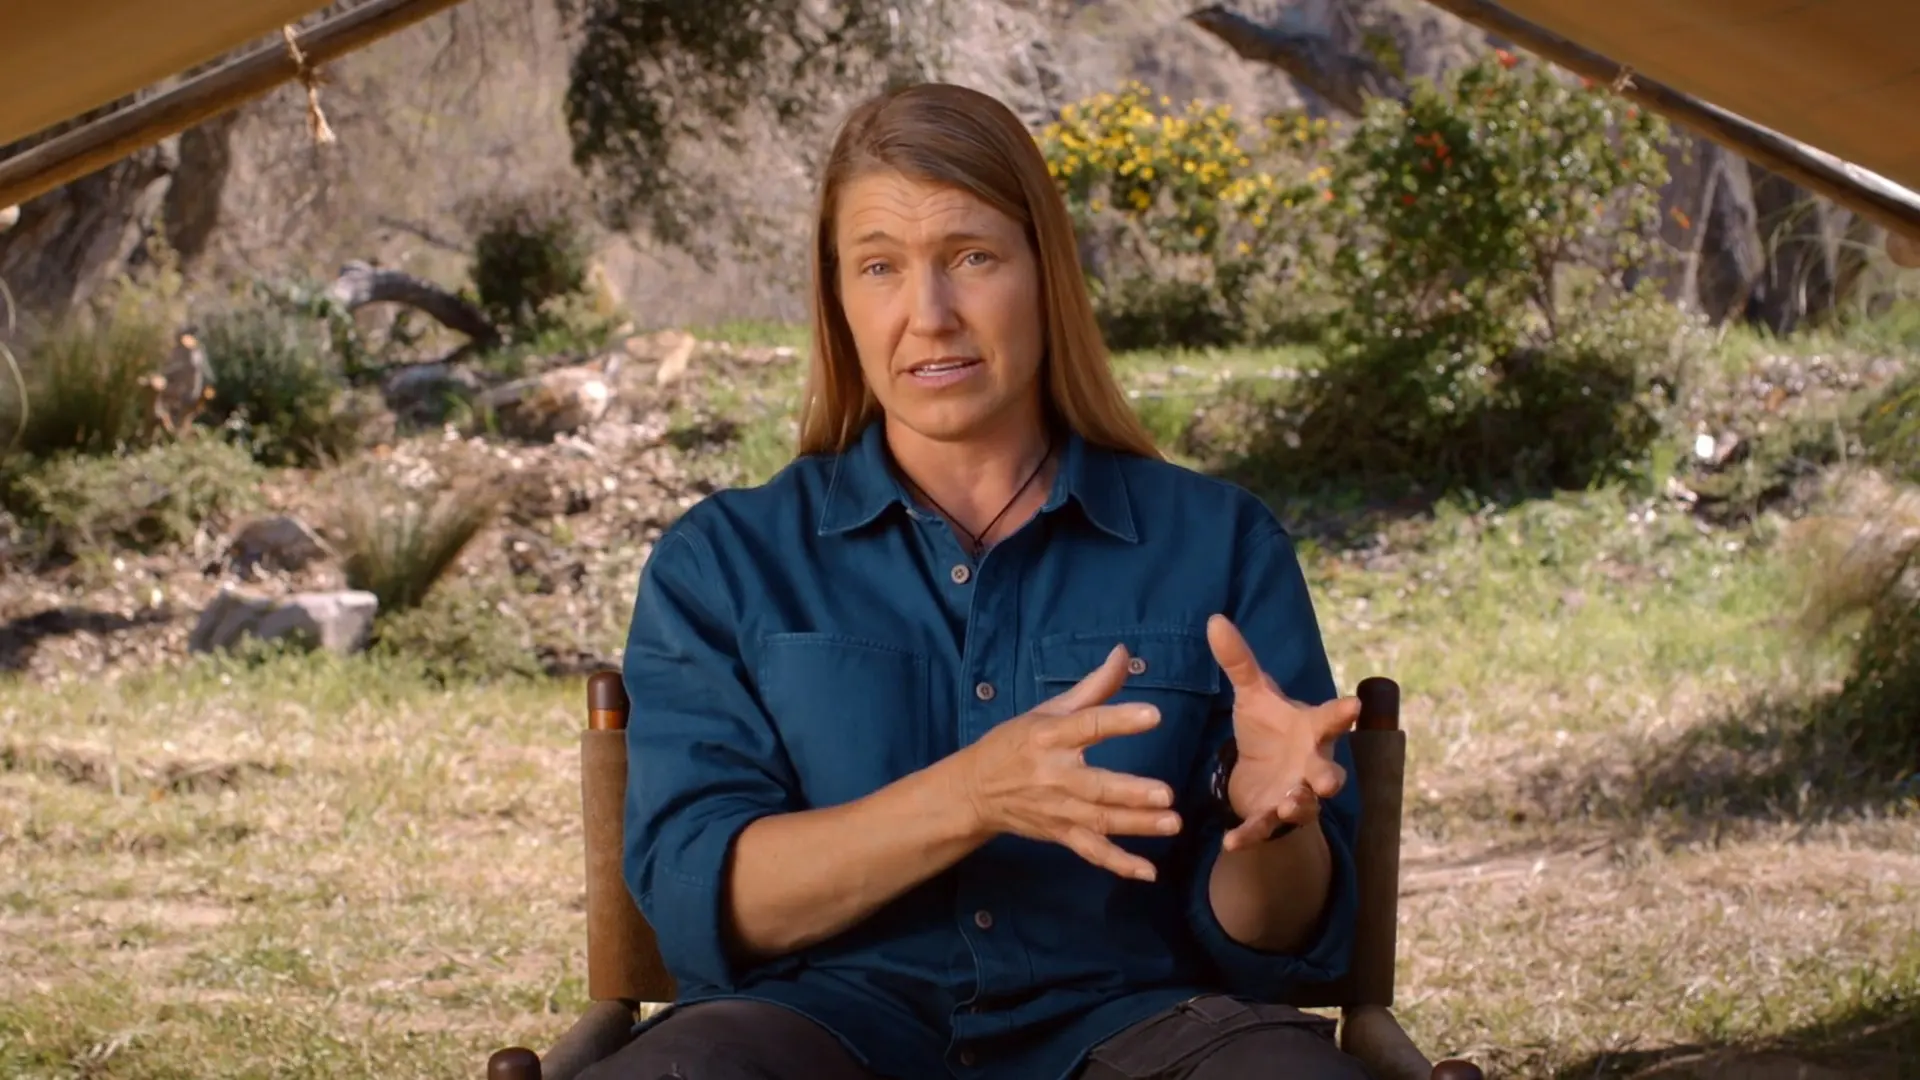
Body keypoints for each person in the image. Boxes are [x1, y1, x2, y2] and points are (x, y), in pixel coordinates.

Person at [590, 81, 1368, 1080]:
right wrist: (972, 795)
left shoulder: (1220, 544)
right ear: (838, 297)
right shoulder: (725, 561)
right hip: (812, 1030)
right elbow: (704, 896)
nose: (930, 315)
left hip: (1135, 1030)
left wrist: (1273, 829)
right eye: (880, 266)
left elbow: (1280, 940)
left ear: (1047, 274)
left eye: (972, 257)